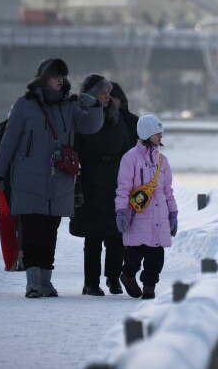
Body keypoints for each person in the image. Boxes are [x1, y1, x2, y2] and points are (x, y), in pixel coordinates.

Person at [0, 57, 104, 298]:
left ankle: (45, 281)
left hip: (59, 180)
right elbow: (8, 140)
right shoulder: (24, 105)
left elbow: (90, 127)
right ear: (43, 77)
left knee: (49, 232)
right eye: (55, 75)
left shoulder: (69, 106)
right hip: (28, 177)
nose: (60, 80)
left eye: (62, 76)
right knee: (31, 230)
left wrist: (94, 107)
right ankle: (32, 283)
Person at [70, 76, 134, 296]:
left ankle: (113, 278)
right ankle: (91, 283)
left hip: (115, 180)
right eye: (102, 92)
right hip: (89, 178)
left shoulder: (117, 118)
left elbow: (126, 149)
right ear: (90, 95)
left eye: (108, 93)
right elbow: (74, 150)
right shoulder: (80, 117)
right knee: (93, 236)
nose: (107, 97)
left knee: (116, 234)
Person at [114, 114, 178, 300]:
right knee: (135, 254)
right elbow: (123, 188)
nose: (161, 136)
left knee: (156, 256)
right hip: (137, 216)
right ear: (146, 133)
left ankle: (149, 287)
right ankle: (127, 274)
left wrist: (173, 212)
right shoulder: (130, 158)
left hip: (159, 216)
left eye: (161, 133)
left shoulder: (162, 160)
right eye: (157, 133)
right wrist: (120, 211)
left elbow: (168, 189)